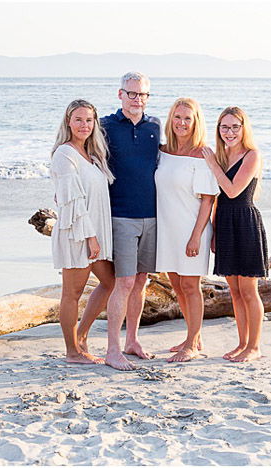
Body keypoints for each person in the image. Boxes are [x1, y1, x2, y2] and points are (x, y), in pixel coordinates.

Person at [101, 72, 160, 371]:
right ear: (120, 94)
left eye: (143, 95)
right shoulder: (105, 126)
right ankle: (112, 349)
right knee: (123, 282)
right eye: (132, 94)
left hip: (152, 215)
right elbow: (87, 160)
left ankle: (132, 341)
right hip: (120, 215)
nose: (138, 100)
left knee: (141, 281)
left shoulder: (155, 126)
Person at [50, 99, 115, 365]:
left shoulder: (93, 156)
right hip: (77, 234)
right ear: (68, 121)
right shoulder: (64, 154)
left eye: (89, 120)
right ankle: (72, 352)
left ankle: (82, 336)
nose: (84, 125)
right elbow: (74, 201)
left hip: (95, 235)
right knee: (72, 294)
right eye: (78, 120)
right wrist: (90, 237)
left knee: (110, 283)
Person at [201, 107, 269, 362]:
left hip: (246, 223)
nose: (229, 132)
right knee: (235, 291)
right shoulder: (221, 155)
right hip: (226, 225)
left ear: (243, 129)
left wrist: (212, 164)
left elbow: (231, 190)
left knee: (249, 290)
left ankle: (254, 347)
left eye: (234, 127)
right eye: (224, 127)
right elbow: (218, 200)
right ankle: (242, 344)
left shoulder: (252, 155)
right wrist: (216, 232)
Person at [155, 98, 219, 362]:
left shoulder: (203, 155)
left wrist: (196, 237)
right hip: (167, 229)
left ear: (196, 122)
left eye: (187, 118)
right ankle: (194, 335)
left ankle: (192, 343)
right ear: (171, 119)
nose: (182, 123)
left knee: (191, 286)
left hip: (193, 229)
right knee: (177, 285)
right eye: (177, 117)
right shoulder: (162, 151)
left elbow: (208, 199)